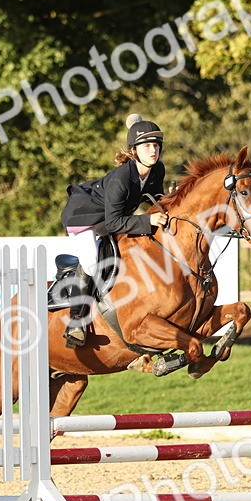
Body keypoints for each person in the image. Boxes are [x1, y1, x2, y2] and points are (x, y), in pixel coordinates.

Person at [58, 114, 168, 347]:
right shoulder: (121, 179)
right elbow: (116, 222)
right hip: (84, 217)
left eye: (156, 145)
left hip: (111, 218)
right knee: (90, 262)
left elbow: (156, 198)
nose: (153, 150)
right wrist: (149, 222)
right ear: (134, 151)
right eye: (147, 145)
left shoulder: (157, 170)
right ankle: (76, 321)